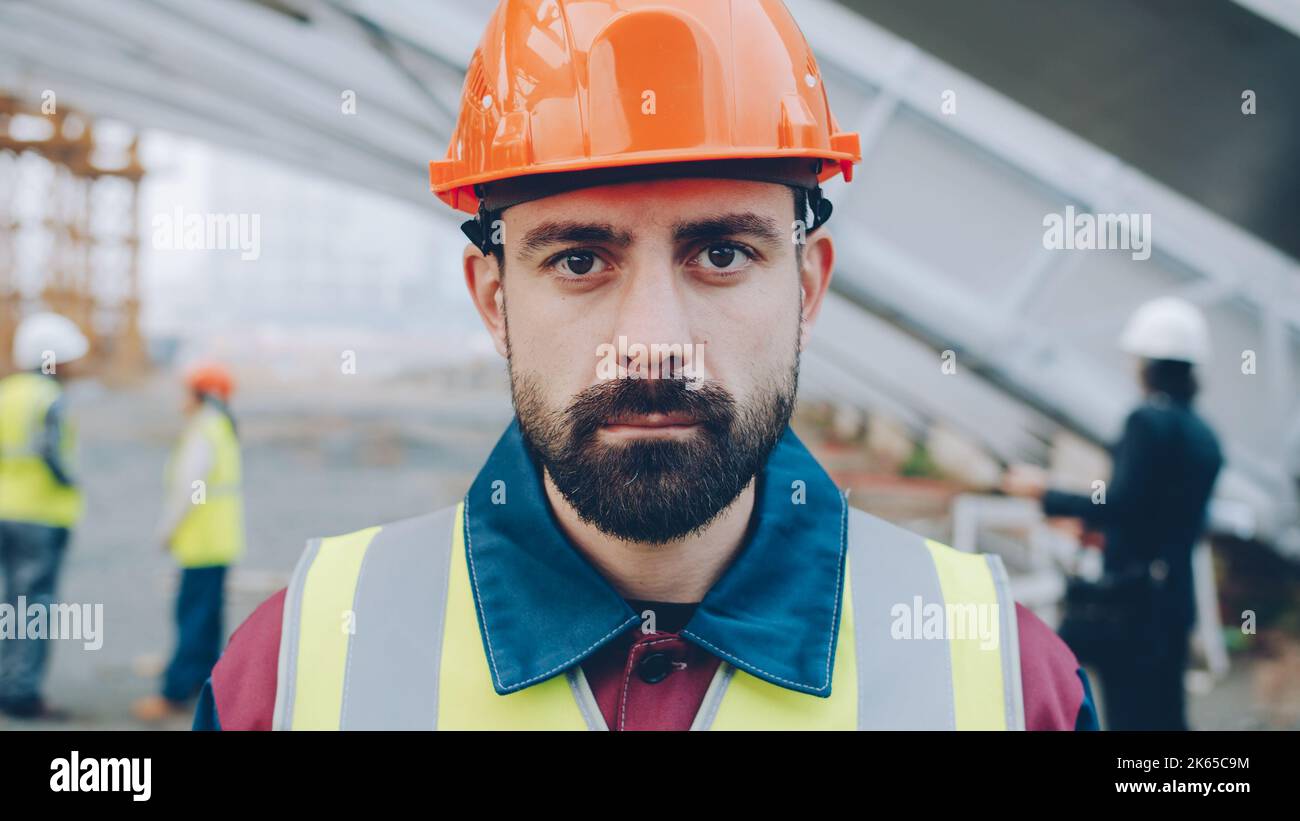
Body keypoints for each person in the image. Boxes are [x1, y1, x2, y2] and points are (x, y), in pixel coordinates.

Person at [197, 0, 1097, 730]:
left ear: (808, 287)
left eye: (722, 254)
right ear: (495, 297)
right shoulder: (290, 677)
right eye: (580, 260)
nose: (655, 340)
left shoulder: (1007, 681)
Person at [1004, 296, 1223, 730]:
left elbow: (1120, 504)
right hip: (1173, 600)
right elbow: (1169, 518)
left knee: (1092, 698)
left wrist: (1045, 493)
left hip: (1131, 604)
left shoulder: (1146, 422)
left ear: (1145, 363)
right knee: (1163, 716)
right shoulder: (1206, 437)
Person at [133, 363, 244, 722]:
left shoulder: (204, 430)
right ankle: (204, 682)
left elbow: (187, 489)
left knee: (193, 617)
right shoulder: (221, 426)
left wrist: (166, 530)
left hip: (201, 541)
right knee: (207, 616)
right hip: (219, 540)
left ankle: (176, 691)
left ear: (202, 395)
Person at [0, 312, 88, 720]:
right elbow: (53, 455)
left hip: (6, 511)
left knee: (11, 604)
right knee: (32, 606)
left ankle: (7, 683)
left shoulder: (8, 392)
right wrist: (74, 483)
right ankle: (21, 693)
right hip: (39, 515)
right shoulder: (47, 397)